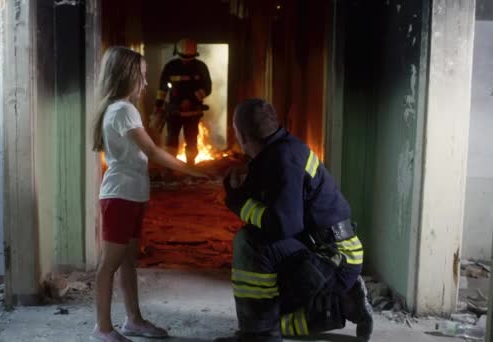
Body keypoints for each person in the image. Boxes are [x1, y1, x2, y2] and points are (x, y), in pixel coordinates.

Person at [216, 99, 374, 342]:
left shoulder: (283, 159)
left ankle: (259, 334)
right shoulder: (279, 150)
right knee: (277, 316)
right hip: (330, 253)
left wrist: (240, 204)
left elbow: (283, 225)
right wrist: (241, 189)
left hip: (333, 259)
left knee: (249, 243)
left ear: (241, 134)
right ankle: (346, 301)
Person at [91, 46, 206, 342]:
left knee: (128, 261)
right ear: (125, 76)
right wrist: (193, 170)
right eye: (141, 76)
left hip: (131, 194)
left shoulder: (121, 109)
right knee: (109, 264)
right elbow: (152, 151)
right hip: (120, 197)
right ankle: (102, 329)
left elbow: (143, 147)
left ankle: (134, 321)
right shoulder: (123, 109)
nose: (145, 83)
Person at [151, 38, 212, 166]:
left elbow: (207, 88)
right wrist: (158, 105)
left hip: (192, 112)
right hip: (174, 112)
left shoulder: (201, 67)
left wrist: (190, 100)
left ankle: (190, 167)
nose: (186, 61)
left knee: (191, 141)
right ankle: (170, 168)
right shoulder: (170, 67)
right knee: (172, 140)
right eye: (184, 58)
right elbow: (162, 89)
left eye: (189, 58)